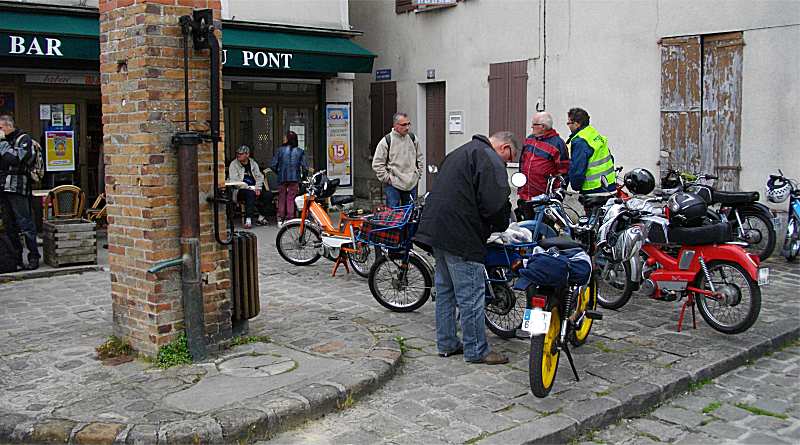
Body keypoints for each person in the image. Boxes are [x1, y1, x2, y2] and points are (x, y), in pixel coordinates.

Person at [415, 131, 520, 365]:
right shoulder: (489, 158)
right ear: (504, 148)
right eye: (510, 157)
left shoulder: (460, 152)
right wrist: (502, 223)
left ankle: (447, 343)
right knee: (471, 294)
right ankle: (476, 350)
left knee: (445, 292)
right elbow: (495, 203)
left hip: (436, 230)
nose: (507, 162)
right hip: (461, 235)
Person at [0, 114, 40, 270]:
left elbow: (16, 159)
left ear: (8, 126)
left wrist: (3, 142)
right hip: (3, 188)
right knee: (9, 226)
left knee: (25, 223)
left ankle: (34, 257)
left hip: (18, 187)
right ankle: (15, 258)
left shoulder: (23, 139)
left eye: (1, 128)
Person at [517, 111, 569, 219]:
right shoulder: (529, 140)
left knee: (545, 229)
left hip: (544, 199)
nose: (531, 126)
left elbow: (564, 172)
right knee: (527, 228)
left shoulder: (558, 144)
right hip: (526, 196)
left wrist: (557, 195)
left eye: (534, 124)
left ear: (543, 127)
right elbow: (522, 163)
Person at [372, 112, 423, 208]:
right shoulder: (386, 141)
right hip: (393, 184)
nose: (407, 127)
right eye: (404, 125)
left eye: (408, 124)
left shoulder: (413, 139)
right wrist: (388, 179)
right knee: (394, 216)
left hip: (411, 183)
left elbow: (420, 157)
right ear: (395, 125)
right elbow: (377, 164)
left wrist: (418, 174)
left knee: (410, 216)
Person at [566, 107, 616, 195]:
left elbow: (578, 169)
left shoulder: (580, 141)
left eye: (569, 123)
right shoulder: (593, 133)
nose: (568, 125)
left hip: (593, 190)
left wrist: (575, 186)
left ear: (577, 124)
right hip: (609, 185)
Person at [271, 130, 308, 226]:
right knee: (291, 198)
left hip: (282, 177)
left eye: (285, 137)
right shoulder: (300, 151)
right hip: (295, 178)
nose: (283, 139)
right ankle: (290, 218)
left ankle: (280, 219)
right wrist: (303, 177)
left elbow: (273, 165)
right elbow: (305, 167)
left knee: (281, 197)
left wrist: (279, 172)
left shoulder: (280, 150)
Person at [228, 144, 266, 229]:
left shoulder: (253, 163)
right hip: (241, 189)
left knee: (268, 195)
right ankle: (248, 219)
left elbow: (260, 176)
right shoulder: (234, 164)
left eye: (241, 154)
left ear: (247, 154)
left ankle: (261, 216)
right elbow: (234, 181)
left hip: (254, 187)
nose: (238, 155)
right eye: (238, 153)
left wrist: (258, 188)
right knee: (250, 194)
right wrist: (248, 187)